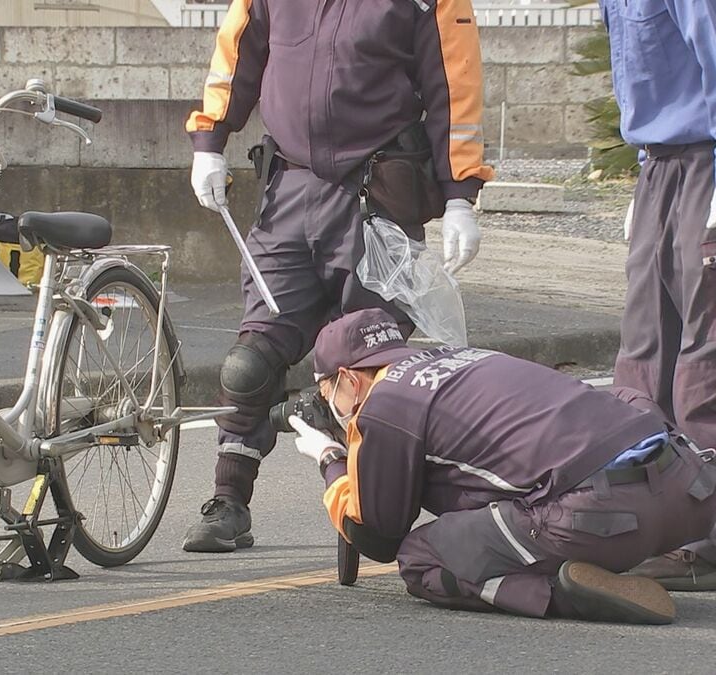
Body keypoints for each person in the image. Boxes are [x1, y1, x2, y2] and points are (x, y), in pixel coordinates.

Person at [181, 0, 494, 552]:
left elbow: (454, 85)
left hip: (380, 196)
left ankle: (367, 505)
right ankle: (229, 500)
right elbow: (237, 56)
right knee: (249, 363)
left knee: (369, 371)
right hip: (290, 193)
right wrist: (210, 139)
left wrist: (461, 194)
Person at [291, 308, 716, 623]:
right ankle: (602, 556)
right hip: (690, 490)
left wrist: (330, 458)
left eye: (326, 390)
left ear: (348, 379)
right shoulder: (469, 357)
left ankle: (567, 593)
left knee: (421, 557)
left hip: (602, 518)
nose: (330, 404)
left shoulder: (385, 403)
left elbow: (377, 536)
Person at [598, 0, 716, 590]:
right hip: (660, 166)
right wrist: (646, 166)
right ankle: (651, 516)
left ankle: (706, 536)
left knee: (705, 353)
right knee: (643, 353)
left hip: (706, 160)